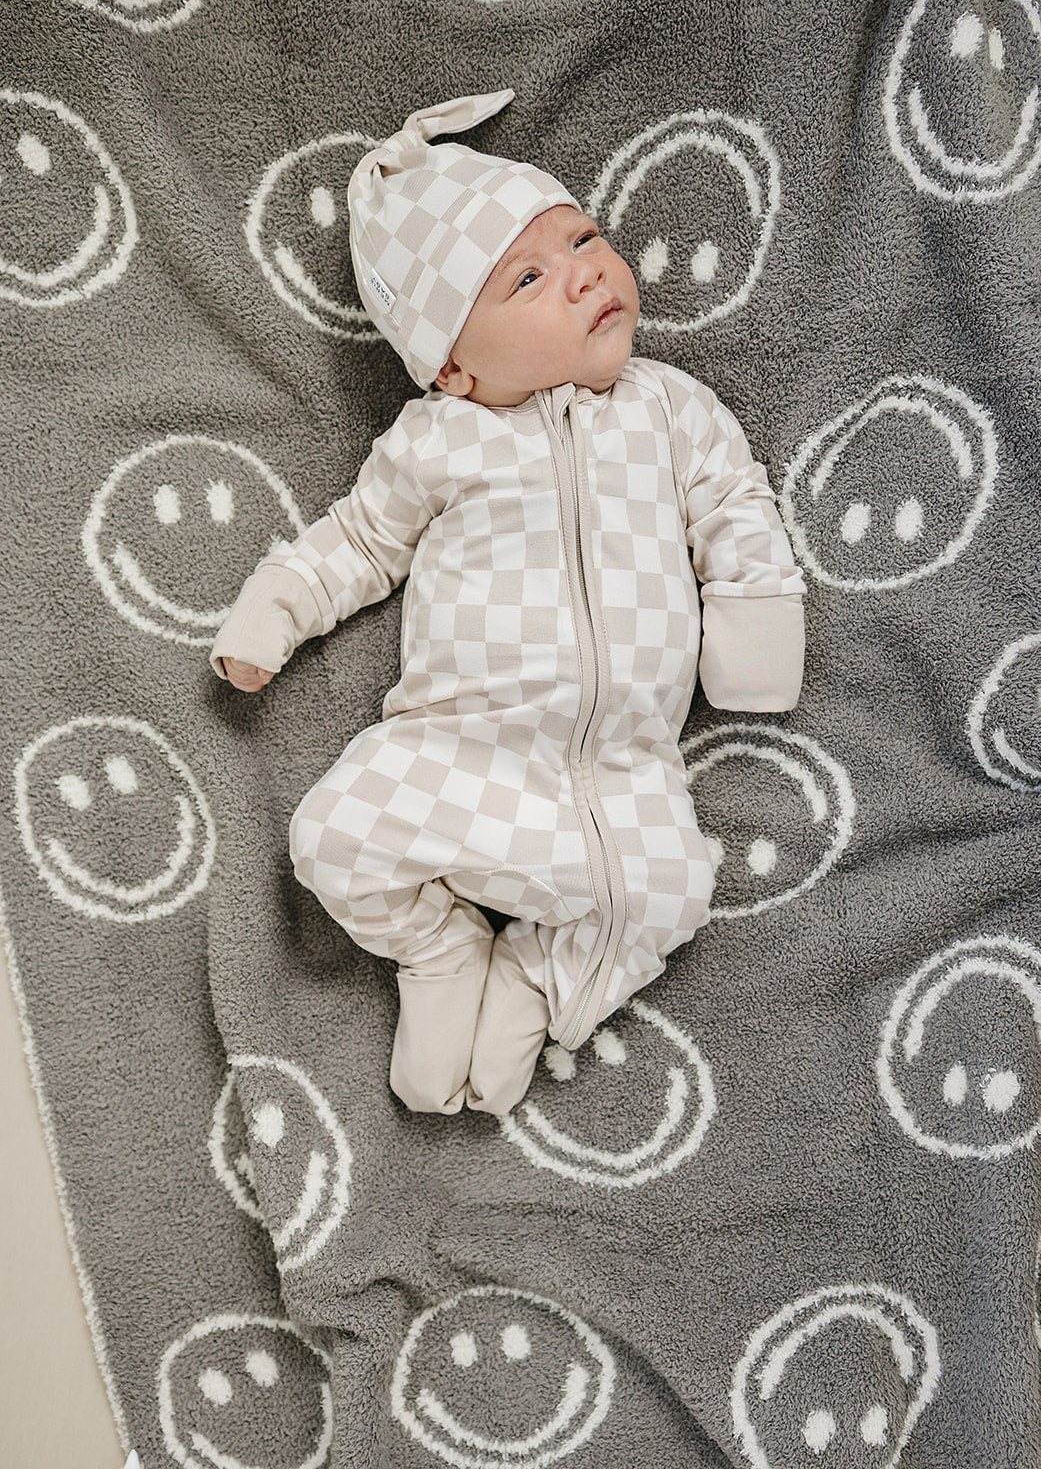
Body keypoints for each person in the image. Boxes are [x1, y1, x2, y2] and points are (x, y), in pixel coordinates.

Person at [212, 89, 806, 1118]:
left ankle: (535, 978)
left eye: (582, 238)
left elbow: (734, 508)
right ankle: (439, 948)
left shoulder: (669, 409)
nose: (583, 271)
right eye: (527, 277)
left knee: (669, 889)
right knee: (332, 837)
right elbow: (359, 540)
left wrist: (753, 634)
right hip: (455, 750)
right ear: (451, 366)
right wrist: (273, 611)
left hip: (620, 771)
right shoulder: (437, 441)